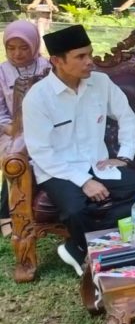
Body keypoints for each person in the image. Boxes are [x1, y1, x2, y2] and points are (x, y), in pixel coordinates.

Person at [22, 25, 135, 276]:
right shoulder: (37, 98)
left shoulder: (101, 83)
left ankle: (79, 244)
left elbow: (128, 118)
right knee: (74, 209)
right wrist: (84, 181)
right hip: (58, 170)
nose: (89, 62)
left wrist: (125, 156)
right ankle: (96, 251)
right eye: (80, 57)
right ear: (56, 61)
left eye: (90, 54)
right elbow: (41, 152)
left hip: (99, 163)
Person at [0, 20, 51, 237]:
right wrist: (12, 128)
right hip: (13, 129)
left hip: (47, 128)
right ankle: (7, 215)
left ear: (34, 45)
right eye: (11, 48)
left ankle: (30, 210)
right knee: (14, 158)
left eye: (23, 47)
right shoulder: (2, 72)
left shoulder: (48, 67)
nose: (17, 54)